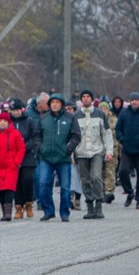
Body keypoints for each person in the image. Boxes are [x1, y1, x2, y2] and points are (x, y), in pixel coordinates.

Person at [35, 93, 81, 222]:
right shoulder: (43, 118)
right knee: (43, 184)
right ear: (49, 104)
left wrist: (68, 149)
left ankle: (64, 212)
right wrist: (40, 148)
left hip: (63, 158)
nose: (55, 104)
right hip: (46, 157)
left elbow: (76, 136)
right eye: (52, 102)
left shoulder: (70, 118)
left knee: (65, 187)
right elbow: (37, 136)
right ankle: (48, 211)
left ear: (62, 104)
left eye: (57, 102)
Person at [73, 90, 114, 220]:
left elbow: (107, 134)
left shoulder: (100, 114)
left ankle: (99, 205)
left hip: (97, 151)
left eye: (88, 97)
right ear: (81, 100)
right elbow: (73, 136)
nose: (85, 99)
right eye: (83, 97)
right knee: (85, 180)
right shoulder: (76, 115)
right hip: (81, 152)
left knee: (96, 177)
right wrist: (71, 153)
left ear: (92, 99)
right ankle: (89, 206)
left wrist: (109, 151)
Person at [0, 111, 25, 221]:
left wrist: (16, 162)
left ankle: (8, 213)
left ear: (8, 122)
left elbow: (21, 148)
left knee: (9, 189)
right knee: (0, 191)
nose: (2, 123)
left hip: (11, 167)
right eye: (0, 121)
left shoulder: (15, 134)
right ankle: (4, 212)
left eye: (5, 121)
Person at [8, 98, 40, 219]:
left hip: (27, 155)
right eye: (13, 110)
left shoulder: (29, 121)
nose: (15, 113)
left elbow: (35, 137)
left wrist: (24, 147)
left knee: (27, 179)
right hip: (12, 155)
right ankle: (18, 207)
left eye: (17, 110)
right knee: (16, 181)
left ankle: (29, 203)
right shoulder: (8, 122)